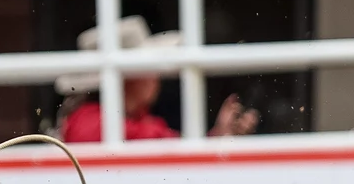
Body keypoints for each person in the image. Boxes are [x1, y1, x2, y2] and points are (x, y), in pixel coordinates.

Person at [55, 16, 258, 143]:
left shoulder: (126, 119)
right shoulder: (90, 123)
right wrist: (217, 139)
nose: (156, 76)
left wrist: (219, 136)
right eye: (149, 68)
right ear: (129, 78)